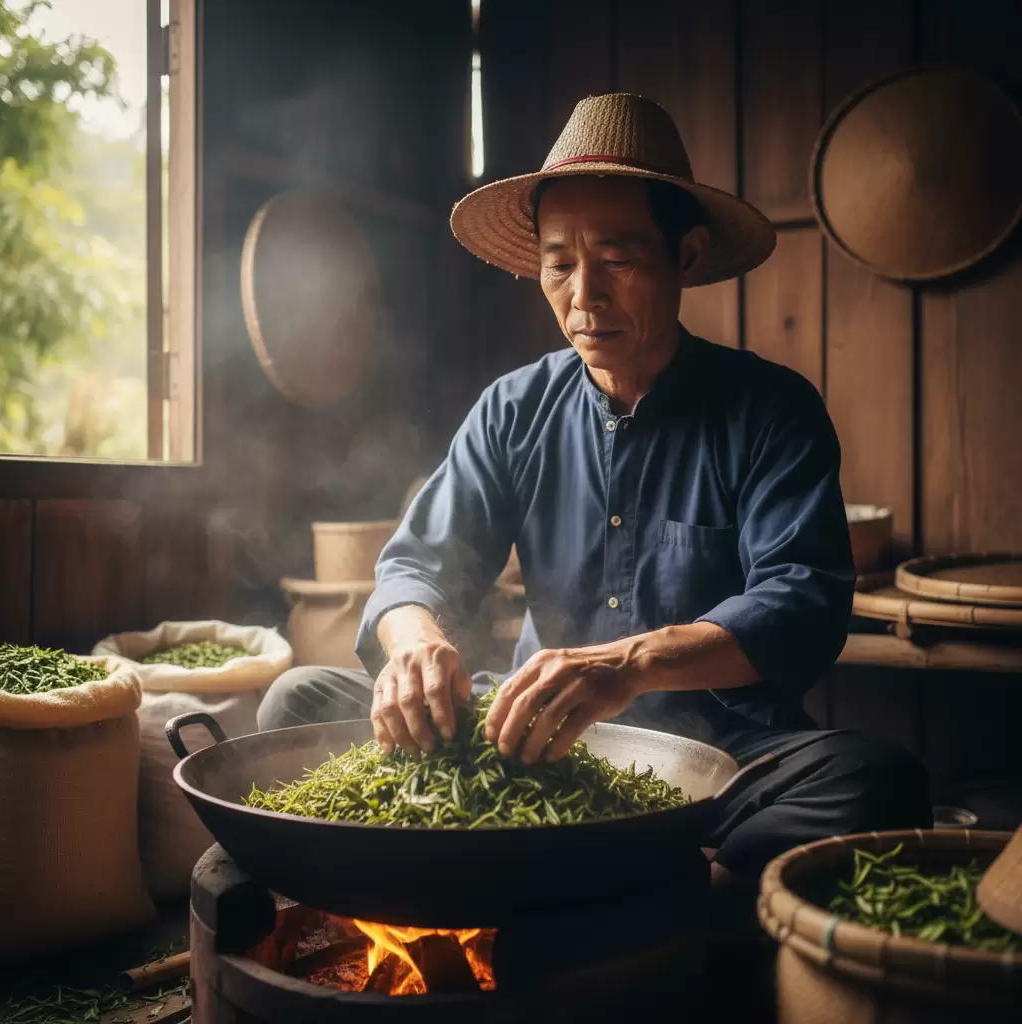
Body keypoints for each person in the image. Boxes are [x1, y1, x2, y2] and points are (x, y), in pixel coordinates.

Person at [258, 94, 932, 883]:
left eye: (616, 260)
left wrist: (630, 665)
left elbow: (801, 601)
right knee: (296, 702)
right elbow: (419, 565)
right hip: (533, 733)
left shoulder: (770, 410)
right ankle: (652, 886)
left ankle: (656, 886)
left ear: (684, 257)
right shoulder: (514, 409)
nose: (584, 296)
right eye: (558, 264)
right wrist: (415, 645)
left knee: (879, 782)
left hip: (718, 758)